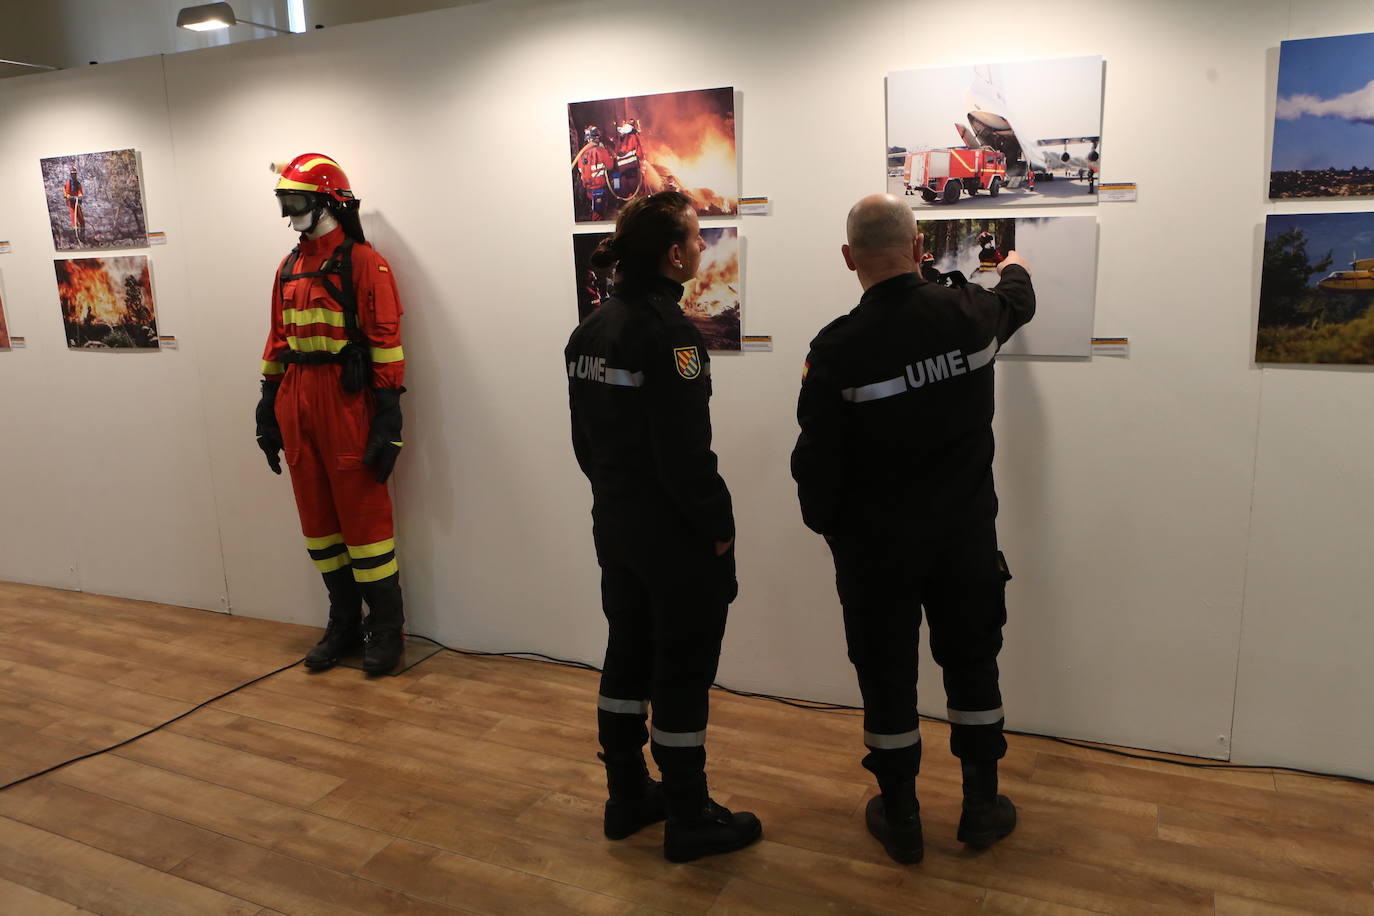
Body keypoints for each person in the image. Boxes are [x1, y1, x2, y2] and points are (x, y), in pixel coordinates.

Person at [791, 194, 1035, 864]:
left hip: (876, 553)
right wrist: (1013, 266)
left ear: (850, 259)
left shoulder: (836, 350)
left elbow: (815, 465)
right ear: (920, 248)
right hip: (964, 543)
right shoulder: (970, 314)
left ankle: (900, 818)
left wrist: (836, 532)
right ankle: (982, 808)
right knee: (974, 669)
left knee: (888, 678)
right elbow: (1017, 299)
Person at [564, 190, 762, 863]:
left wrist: (617, 501)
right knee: (679, 672)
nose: (704, 248)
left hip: (616, 527)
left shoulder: (589, 331)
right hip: (675, 538)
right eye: (697, 239)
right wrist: (719, 527)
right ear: (673, 254)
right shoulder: (671, 336)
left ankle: (627, 797)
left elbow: (585, 445)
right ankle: (687, 816)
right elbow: (685, 455)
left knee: (626, 654)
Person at [255, 153, 408, 675]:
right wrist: (265, 403)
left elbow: (387, 342)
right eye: (283, 201)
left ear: (326, 200)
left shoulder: (365, 262)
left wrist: (388, 417)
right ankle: (343, 624)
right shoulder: (288, 266)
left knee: (364, 520)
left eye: (294, 200)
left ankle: (386, 630)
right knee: (318, 521)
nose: (287, 213)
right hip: (296, 395)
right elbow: (278, 338)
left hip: (346, 399)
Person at [573, 126, 616, 220]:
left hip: (588, 190)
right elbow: (610, 166)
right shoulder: (601, 151)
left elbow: (581, 169)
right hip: (599, 188)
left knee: (593, 210)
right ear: (597, 136)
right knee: (598, 215)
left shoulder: (582, 154)